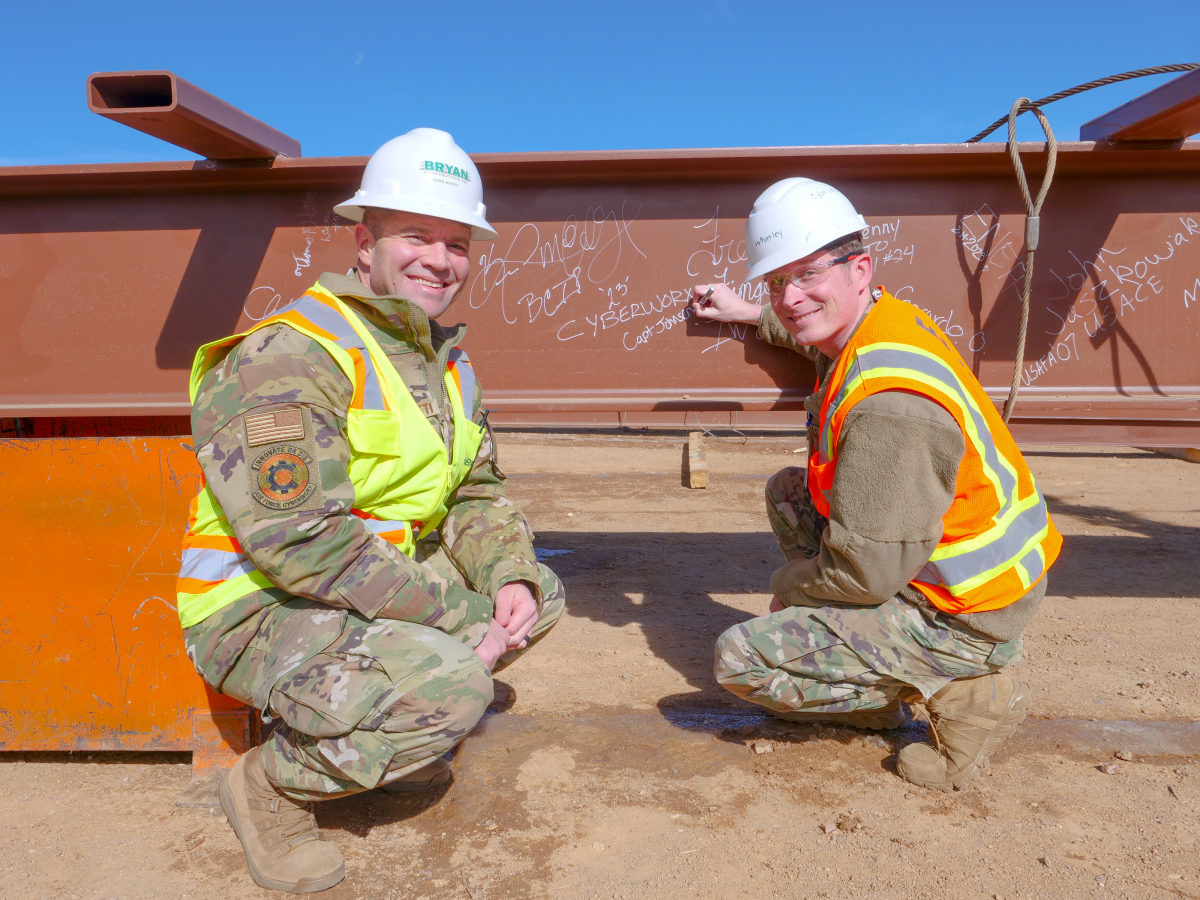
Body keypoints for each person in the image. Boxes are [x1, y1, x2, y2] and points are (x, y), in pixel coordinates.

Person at [176, 128, 564, 893]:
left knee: (537, 598)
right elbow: (301, 542)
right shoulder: (293, 354)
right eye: (416, 235)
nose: (439, 260)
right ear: (364, 241)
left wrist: (510, 577)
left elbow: (474, 493)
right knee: (456, 680)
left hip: (358, 585)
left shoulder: (440, 361)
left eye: (457, 243)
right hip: (256, 604)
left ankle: (383, 733)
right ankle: (270, 787)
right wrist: (458, 619)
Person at [690, 177, 1060, 792]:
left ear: (860, 268)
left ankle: (957, 690)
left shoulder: (889, 408)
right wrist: (749, 312)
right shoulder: (882, 322)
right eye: (777, 282)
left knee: (743, 657)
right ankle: (888, 657)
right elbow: (816, 331)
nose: (790, 296)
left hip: (967, 613)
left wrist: (791, 590)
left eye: (807, 274)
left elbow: (866, 573)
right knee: (790, 495)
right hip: (948, 569)